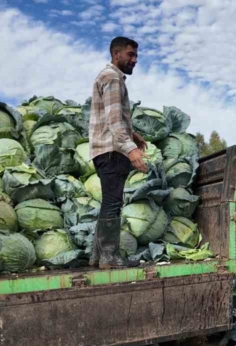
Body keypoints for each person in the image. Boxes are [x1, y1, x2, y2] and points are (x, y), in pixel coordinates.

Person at [89, 36, 147, 269]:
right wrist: (131, 149)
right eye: (130, 55)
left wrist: (134, 134)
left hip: (103, 150)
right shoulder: (113, 77)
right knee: (113, 204)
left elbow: (110, 116)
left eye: (135, 56)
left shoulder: (107, 76)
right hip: (111, 151)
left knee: (108, 204)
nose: (134, 60)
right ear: (116, 54)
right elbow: (114, 120)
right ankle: (110, 258)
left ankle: (97, 256)